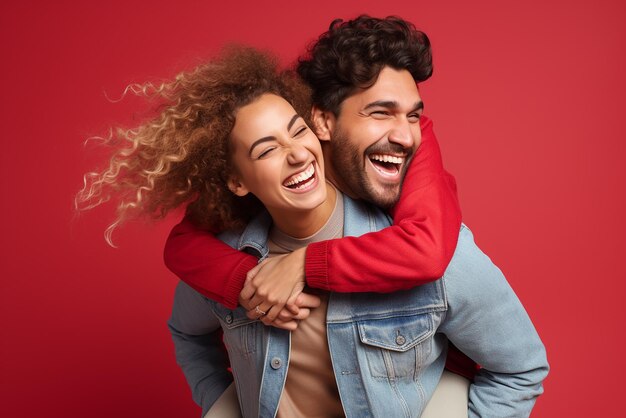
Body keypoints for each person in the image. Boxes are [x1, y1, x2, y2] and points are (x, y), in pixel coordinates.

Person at [76, 43, 548, 416]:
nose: (297, 153)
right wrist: (220, 406)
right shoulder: (223, 252)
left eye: (295, 131)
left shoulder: (439, 239)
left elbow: (520, 366)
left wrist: (304, 263)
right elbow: (187, 319)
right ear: (236, 180)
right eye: (266, 150)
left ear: (313, 128)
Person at [163, 15, 477, 388]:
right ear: (321, 120)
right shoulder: (282, 141)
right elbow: (183, 244)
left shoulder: (414, 143)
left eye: (412, 114)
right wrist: (251, 281)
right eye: (380, 112)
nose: (403, 135)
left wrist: (302, 265)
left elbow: (427, 250)